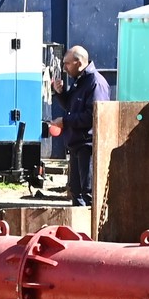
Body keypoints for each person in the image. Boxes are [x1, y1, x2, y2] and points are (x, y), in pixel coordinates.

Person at [49, 44, 110, 207]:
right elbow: (71, 106)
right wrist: (61, 93)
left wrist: (65, 122)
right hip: (76, 145)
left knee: (87, 193)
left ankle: (90, 231)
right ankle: (78, 230)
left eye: (67, 64)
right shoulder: (80, 81)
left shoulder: (95, 83)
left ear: (78, 62)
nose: (64, 68)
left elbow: (93, 116)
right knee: (77, 192)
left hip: (87, 147)